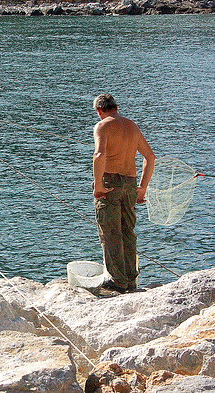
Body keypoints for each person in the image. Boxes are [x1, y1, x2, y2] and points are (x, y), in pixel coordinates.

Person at [92, 93, 155, 293]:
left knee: (110, 232)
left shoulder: (102, 126)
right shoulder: (132, 126)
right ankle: (130, 279)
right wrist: (143, 187)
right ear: (116, 107)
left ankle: (117, 281)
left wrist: (98, 186)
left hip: (110, 182)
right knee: (128, 230)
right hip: (130, 183)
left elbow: (99, 155)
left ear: (99, 110)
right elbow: (150, 157)